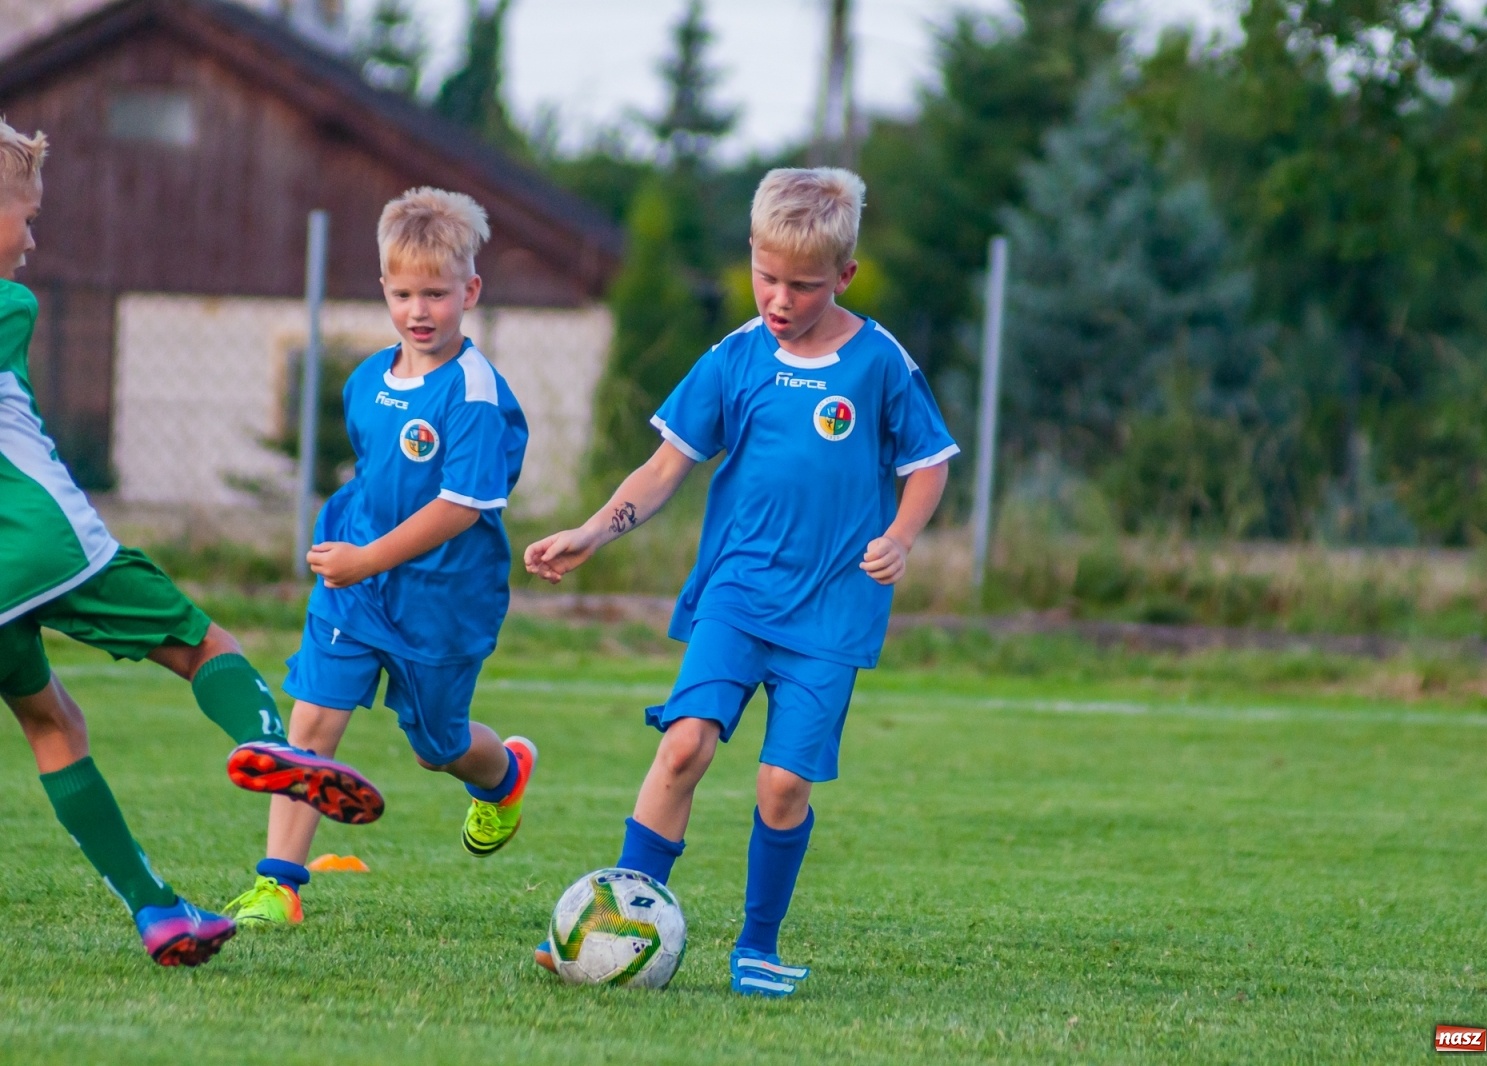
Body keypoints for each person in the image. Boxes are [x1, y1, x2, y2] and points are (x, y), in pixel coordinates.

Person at [525, 167, 958, 996]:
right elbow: (663, 468)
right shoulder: (733, 358)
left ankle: (757, 947)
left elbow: (929, 463)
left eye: (802, 284)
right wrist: (593, 530)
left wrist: (900, 537)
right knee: (684, 744)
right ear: (749, 258)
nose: (780, 298)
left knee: (783, 781)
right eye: (765, 276)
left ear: (844, 276)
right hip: (737, 594)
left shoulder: (878, 363)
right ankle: (612, 927)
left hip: (833, 608)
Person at [0, 118, 383, 967]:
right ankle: (273, 742)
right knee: (201, 642)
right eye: (26, 216)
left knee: (52, 722)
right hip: (46, 546)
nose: (32, 239)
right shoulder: (11, 303)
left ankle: (159, 912)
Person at [226, 187, 535, 928]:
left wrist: (369, 559)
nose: (419, 310)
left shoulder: (475, 395)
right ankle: (279, 885)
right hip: (357, 591)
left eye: (436, 293)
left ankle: (505, 776)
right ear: (384, 291)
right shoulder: (365, 381)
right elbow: (376, 478)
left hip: (444, 598)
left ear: (471, 291)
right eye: (403, 294)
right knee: (310, 729)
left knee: (439, 747)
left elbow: (461, 507)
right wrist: (351, 554)